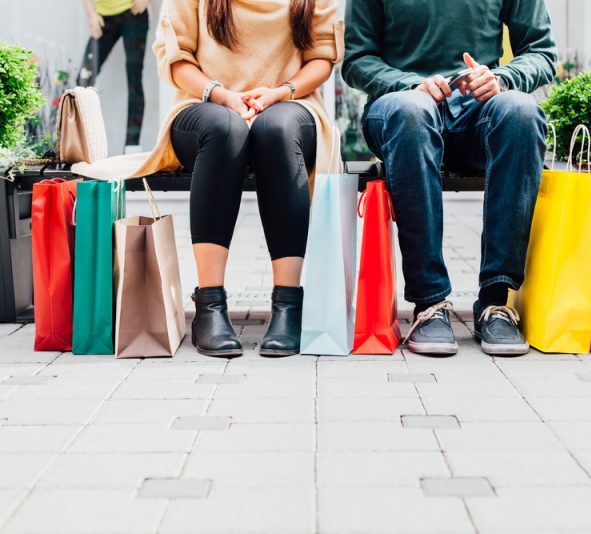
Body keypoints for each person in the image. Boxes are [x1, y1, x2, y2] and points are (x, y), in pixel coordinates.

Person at [72, 0, 344, 359]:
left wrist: (280, 93)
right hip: (205, 105)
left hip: (291, 104)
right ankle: (210, 305)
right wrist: (223, 96)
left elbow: (322, 57)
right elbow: (177, 58)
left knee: (275, 130)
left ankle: (288, 305)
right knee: (225, 128)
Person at [342, 0, 557, 357]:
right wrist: (410, 84)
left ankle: (496, 301)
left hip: (478, 112)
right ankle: (429, 304)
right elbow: (357, 60)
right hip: (401, 108)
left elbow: (541, 51)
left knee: (521, 112)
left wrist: (502, 78)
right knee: (412, 111)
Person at [79, 0, 150, 150]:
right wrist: (91, 14)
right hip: (103, 17)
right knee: (83, 82)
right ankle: (82, 146)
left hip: (133, 13)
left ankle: (131, 148)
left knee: (134, 82)